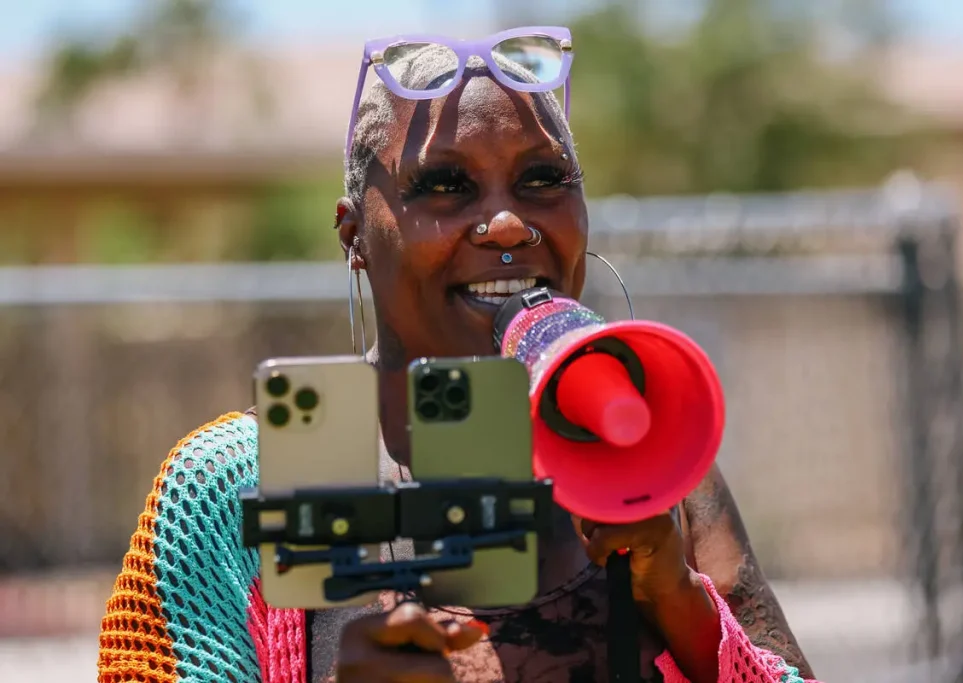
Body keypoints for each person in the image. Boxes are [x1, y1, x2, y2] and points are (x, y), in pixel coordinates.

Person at [97, 28, 816, 683]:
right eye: (445, 185)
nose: (507, 222)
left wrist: (681, 605)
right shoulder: (229, 487)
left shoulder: (647, 455)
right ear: (354, 237)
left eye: (542, 180)